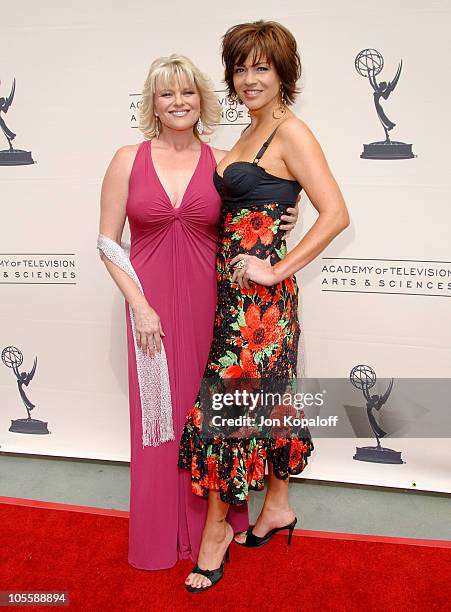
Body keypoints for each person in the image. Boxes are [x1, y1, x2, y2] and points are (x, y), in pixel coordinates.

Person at [97, 54, 299, 570]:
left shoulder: (223, 163)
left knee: (210, 419)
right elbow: (107, 242)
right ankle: (159, 541)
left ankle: (217, 528)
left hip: (214, 307)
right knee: (157, 425)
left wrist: (285, 217)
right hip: (150, 310)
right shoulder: (127, 158)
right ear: (153, 104)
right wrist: (140, 306)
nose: (179, 102)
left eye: (187, 92)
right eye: (167, 94)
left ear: (203, 100)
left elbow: (252, 219)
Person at [178, 20, 350, 592]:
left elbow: (336, 213)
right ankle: (277, 507)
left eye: (262, 67)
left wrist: (275, 266)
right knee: (267, 404)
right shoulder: (251, 131)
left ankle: (216, 532)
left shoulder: (291, 131)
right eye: (241, 67)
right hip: (233, 299)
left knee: (230, 408)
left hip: (262, 311)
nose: (249, 79)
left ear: (283, 73)